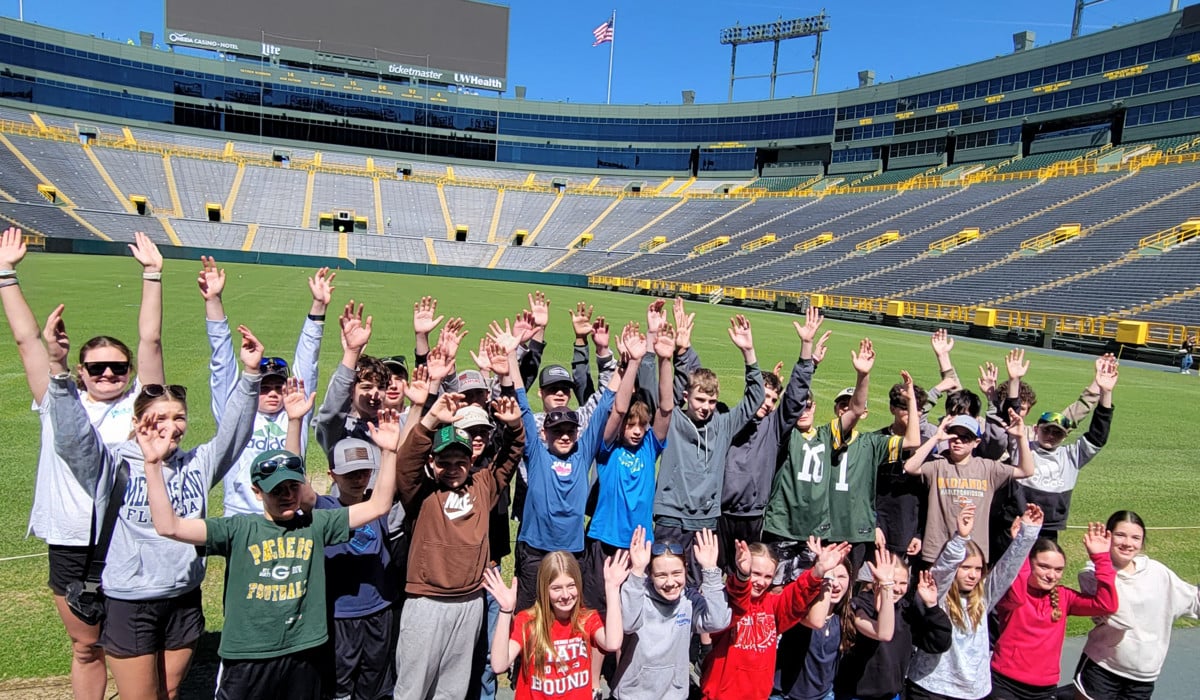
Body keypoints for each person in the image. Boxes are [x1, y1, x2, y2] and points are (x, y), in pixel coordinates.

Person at [46, 311, 263, 700]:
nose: (170, 425)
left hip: (183, 596)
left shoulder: (196, 462)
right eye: (158, 417)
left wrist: (250, 377)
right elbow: (72, 439)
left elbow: (233, 434)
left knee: (172, 691)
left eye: (178, 417)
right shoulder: (111, 463)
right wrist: (60, 373)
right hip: (131, 601)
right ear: (138, 421)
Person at [0, 227, 164, 700]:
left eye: (117, 367)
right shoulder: (57, 401)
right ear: (80, 372)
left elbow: (150, 341)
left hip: (130, 534)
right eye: (96, 368)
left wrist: (152, 275)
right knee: (85, 645)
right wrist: (7, 274)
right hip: (70, 537)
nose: (108, 373)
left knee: (132, 645)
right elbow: (26, 342)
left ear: (130, 373)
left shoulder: (141, 403)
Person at [141, 407, 398, 700]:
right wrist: (152, 465)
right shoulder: (238, 529)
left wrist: (389, 452)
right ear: (257, 491)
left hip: (304, 651)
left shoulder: (317, 524)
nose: (287, 495)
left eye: (292, 487)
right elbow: (169, 526)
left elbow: (378, 506)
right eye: (277, 490)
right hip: (249, 653)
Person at [393, 386, 525, 700]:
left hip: (469, 603)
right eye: (444, 461)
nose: (452, 468)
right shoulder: (421, 493)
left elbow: (509, 459)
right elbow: (405, 463)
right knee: (412, 688)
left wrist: (515, 427)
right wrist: (429, 422)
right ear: (432, 462)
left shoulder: (484, 484)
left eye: (459, 461)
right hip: (427, 602)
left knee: (452, 689)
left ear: (470, 460)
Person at [198, 256, 332, 516]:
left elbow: (308, 363)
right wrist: (213, 301)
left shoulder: (296, 414)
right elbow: (221, 365)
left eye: (278, 387)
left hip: (288, 515)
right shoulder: (234, 414)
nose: (272, 392)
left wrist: (318, 307)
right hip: (242, 515)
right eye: (263, 386)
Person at [653, 313, 764, 578]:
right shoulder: (674, 420)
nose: (705, 408)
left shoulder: (723, 425)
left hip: (705, 521)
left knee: (699, 584)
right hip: (671, 517)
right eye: (700, 400)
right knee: (664, 579)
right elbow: (664, 398)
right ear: (686, 397)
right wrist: (669, 358)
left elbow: (755, 397)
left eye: (711, 402)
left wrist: (748, 351)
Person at [906, 503, 1043, 700]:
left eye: (978, 569)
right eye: (966, 568)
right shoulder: (938, 593)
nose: (973, 575)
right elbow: (942, 572)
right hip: (932, 687)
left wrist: (1028, 533)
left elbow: (1007, 570)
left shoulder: (983, 596)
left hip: (974, 690)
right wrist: (960, 539)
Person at [584, 323, 674, 610]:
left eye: (642, 426)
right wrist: (632, 363)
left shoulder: (649, 447)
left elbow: (667, 409)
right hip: (604, 539)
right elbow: (619, 409)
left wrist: (664, 360)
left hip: (639, 544)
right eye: (631, 426)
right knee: (598, 610)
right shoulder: (608, 449)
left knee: (631, 612)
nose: (637, 431)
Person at [699, 539, 851, 700]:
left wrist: (818, 571)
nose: (761, 582)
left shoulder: (772, 605)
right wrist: (742, 577)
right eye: (755, 573)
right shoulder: (725, 604)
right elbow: (738, 598)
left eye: (768, 576)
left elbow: (796, 596)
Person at [1074, 510, 1200, 700]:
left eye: (1135, 538)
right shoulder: (1091, 574)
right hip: (1102, 668)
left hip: (1143, 677)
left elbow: (1193, 601)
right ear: (1107, 536)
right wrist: (1101, 560)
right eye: (1120, 535)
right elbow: (1121, 618)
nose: (1127, 543)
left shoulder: (1157, 572)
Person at [989, 524, 1118, 700]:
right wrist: (1022, 544)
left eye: (1058, 570)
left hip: (1045, 688)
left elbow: (1106, 605)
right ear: (1029, 563)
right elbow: (1018, 588)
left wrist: (1101, 558)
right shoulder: (1013, 593)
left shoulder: (1064, 597)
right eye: (1044, 566)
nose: (1051, 575)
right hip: (1004, 683)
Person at [484, 550, 628, 700]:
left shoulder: (586, 619)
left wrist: (612, 589)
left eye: (571, 585)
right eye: (556, 588)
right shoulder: (528, 621)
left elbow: (613, 643)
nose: (565, 595)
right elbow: (499, 665)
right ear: (544, 589)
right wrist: (505, 611)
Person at [611, 527, 731, 700]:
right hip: (633, 693)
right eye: (661, 575)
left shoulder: (689, 600)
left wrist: (710, 570)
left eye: (676, 573)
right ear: (650, 575)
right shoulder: (637, 593)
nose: (670, 582)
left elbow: (718, 621)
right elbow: (629, 624)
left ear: (685, 569)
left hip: (674, 693)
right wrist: (636, 571)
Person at [903, 413, 1035, 566]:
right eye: (954, 435)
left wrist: (1020, 438)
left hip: (973, 554)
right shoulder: (938, 465)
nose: (958, 440)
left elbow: (1026, 471)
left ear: (976, 442)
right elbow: (909, 466)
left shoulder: (988, 468)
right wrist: (936, 438)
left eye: (966, 437)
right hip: (938, 550)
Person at [1013, 355, 1118, 540]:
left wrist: (1105, 393)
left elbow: (1097, 436)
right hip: (1015, 523)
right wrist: (1014, 381)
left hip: (1049, 529)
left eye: (1058, 433)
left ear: (1066, 435)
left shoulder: (1071, 456)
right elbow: (1009, 418)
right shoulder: (1020, 445)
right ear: (1036, 429)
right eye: (1047, 431)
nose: (1051, 436)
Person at [775, 547, 899, 700]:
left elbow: (884, 633)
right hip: (784, 695)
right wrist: (826, 575)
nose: (835, 583)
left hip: (825, 695)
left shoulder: (848, 613)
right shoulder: (801, 607)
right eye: (831, 576)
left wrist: (887, 585)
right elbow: (816, 621)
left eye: (841, 577)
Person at [834, 563, 953, 700]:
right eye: (892, 582)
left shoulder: (906, 611)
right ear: (876, 580)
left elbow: (939, 644)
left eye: (903, 583)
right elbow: (881, 633)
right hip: (854, 695)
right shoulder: (859, 605)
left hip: (892, 695)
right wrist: (881, 610)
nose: (896, 589)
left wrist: (932, 607)